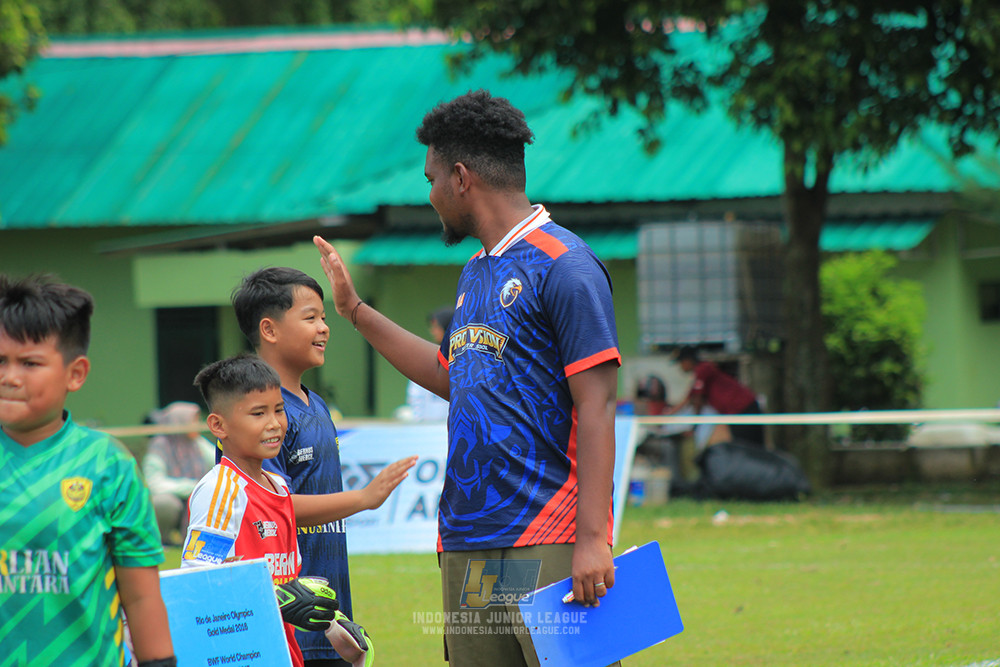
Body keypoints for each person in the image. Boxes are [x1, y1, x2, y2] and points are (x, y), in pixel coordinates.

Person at [314, 89, 621, 667]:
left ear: (460, 178)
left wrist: (591, 539)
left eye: (430, 179)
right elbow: (454, 377)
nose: (427, 194)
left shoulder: (566, 265)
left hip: (549, 535)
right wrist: (355, 310)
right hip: (467, 540)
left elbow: (599, 407)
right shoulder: (476, 271)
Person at [183, 354, 414, 667]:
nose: (274, 423)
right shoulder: (221, 491)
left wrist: (333, 626)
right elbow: (196, 585)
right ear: (218, 425)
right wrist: (277, 600)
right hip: (239, 655)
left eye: (279, 410)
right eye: (257, 413)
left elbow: (288, 585)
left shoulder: (278, 487)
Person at [0, 274, 176, 667]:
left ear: (75, 373)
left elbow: (141, 597)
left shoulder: (108, 466)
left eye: (29, 363)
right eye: (0, 360)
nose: (9, 377)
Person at [231, 266, 378, 667]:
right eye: (310, 317)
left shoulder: (317, 405)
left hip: (328, 620)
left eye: (325, 317)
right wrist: (362, 499)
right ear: (270, 330)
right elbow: (267, 511)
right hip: (288, 626)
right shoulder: (258, 416)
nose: (324, 328)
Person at [142, 400, 215, 544]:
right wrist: (190, 487)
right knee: (165, 503)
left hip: (191, 498)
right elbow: (154, 484)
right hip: (174, 501)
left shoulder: (197, 443)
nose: (198, 424)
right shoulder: (160, 445)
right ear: (180, 421)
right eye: (193, 420)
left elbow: (220, 462)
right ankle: (161, 540)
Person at [668, 345, 765, 447]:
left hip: (743, 410)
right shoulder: (699, 375)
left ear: (688, 360)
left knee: (749, 448)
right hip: (738, 413)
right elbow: (688, 400)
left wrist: (694, 426)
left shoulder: (703, 369)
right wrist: (667, 417)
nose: (681, 367)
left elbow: (697, 400)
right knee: (748, 447)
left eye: (681, 363)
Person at [400, 307, 454, 421]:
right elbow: (415, 396)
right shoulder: (428, 358)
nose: (432, 331)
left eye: (436, 327)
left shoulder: (463, 360)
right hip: (427, 430)